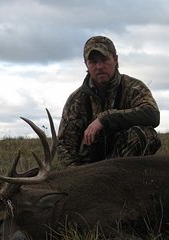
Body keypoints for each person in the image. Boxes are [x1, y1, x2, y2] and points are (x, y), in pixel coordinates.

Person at [57, 35, 162, 167]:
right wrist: (74, 174)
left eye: (104, 59)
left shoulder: (134, 88)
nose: (99, 66)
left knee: (146, 135)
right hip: (88, 171)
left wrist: (105, 119)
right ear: (86, 64)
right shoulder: (77, 99)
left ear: (115, 60)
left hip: (122, 167)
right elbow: (64, 146)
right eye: (93, 62)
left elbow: (152, 114)